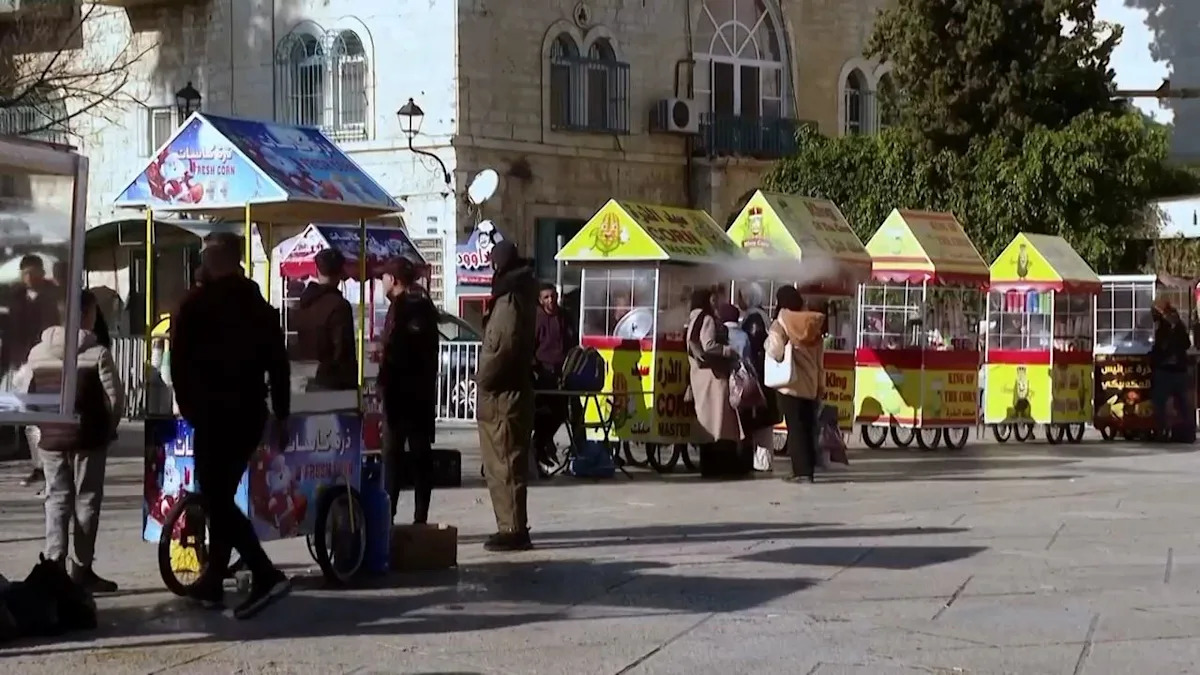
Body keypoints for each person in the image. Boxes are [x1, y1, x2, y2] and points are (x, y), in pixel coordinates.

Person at [171, 232, 292, 619]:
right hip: (248, 414)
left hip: (214, 414)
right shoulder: (258, 305)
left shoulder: (197, 306)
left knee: (217, 498)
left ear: (213, 259)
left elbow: (180, 364)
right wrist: (283, 413)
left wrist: (190, 408)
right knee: (221, 493)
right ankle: (213, 579)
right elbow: (279, 364)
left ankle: (263, 571)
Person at [15, 289, 123, 593]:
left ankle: (54, 565)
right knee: (86, 500)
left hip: (50, 439)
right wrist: (107, 428)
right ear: (87, 314)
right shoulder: (97, 352)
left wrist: (42, 427)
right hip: (89, 436)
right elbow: (115, 401)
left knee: (57, 499)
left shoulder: (37, 353)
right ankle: (82, 568)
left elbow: (26, 397)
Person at [476, 240, 538, 552]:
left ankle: (513, 528)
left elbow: (500, 347)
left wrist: (482, 379)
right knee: (506, 460)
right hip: (511, 389)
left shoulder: (510, 299)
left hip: (502, 394)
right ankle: (511, 524)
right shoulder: (521, 294)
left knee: (504, 462)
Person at [378, 256, 440, 524]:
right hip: (422, 394)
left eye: (384, 277)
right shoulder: (424, 306)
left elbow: (397, 350)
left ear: (393, 280)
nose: (382, 281)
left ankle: (388, 516)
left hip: (401, 395)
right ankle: (420, 516)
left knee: (393, 458)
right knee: (419, 457)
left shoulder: (403, 308)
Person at [2, 255, 62, 488]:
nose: (28, 277)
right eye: (25, 273)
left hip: (41, 361)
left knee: (39, 417)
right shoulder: (15, 298)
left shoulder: (49, 298)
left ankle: (46, 467)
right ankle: (38, 466)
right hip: (19, 363)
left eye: (32, 272)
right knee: (27, 419)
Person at [766, 286, 826, 483]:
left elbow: (775, 348)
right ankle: (808, 470)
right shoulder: (812, 323)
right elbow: (820, 361)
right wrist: (820, 385)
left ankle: (800, 472)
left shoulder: (782, 322)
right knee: (808, 428)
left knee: (795, 428)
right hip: (810, 384)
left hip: (789, 384)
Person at [686, 289, 743, 470]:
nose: (716, 301)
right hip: (714, 377)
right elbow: (708, 345)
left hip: (699, 376)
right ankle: (720, 464)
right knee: (719, 422)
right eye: (713, 298)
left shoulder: (693, 318)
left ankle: (708, 464)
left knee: (707, 421)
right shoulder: (708, 319)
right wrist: (728, 351)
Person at [291, 248, 357, 391]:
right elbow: (342, 349)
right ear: (341, 273)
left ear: (316, 271)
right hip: (334, 382)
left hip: (304, 376)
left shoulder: (305, 302)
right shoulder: (339, 306)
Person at [532, 283, 576, 473]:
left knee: (560, 413)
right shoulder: (537, 318)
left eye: (552, 296)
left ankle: (543, 444)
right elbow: (531, 346)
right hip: (543, 372)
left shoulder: (564, 316)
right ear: (541, 300)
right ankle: (539, 446)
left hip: (562, 372)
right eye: (546, 297)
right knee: (543, 412)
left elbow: (571, 341)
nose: (550, 301)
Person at [736, 283, 780, 469]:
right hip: (764, 375)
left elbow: (752, 349)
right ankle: (763, 460)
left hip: (758, 376)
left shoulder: (754, 319)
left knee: (759, 421)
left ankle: (762, 462)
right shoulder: (760, 315)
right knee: (763, 422)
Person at [1150, 298, 1193, 441]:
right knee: (1178, 402)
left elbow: (1184, 344)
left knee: (1165, 401)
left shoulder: (1168, 327)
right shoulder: (1168, 326)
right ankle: (1173, 431)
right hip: (1174, 369)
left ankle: (1169, 431)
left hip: (1169, 370)